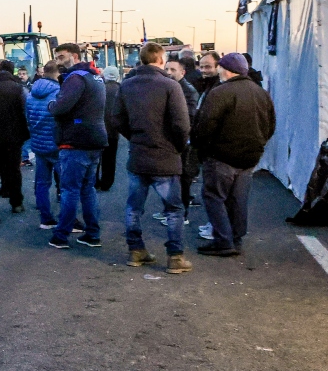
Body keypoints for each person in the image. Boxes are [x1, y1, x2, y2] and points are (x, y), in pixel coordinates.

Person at [112, 42, 192, 273]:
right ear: (160, 59)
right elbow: (181, 124)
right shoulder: (170, 86)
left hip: (138, 154)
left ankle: (136, 250)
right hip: (165, 157)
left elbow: (117, 119)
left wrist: (135, 136)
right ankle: (175, 257)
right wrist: (177, 147)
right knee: (174, 210)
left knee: (134, 208)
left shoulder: (126, 85)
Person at [192, 52, 276, 257]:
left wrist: (201, 150)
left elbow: (205, 126)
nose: (218, 70)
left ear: (227, 70)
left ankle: (223, 240)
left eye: (220, 67)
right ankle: (236, 238)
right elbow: (270, 124)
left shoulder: (220, 92)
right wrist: (259, 145)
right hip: (249, 157)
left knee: (214, 197)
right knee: (238, 199)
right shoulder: (260, 93)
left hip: (222, 156)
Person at [47, 43, 107, 249]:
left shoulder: (75, 79)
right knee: (87, 189)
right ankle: (92, 233)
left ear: (74, 56)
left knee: (70, 190)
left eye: (62, 57)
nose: (58, 62)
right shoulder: (95, 77)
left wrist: (52, 105)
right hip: (94, 139)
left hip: (75, 140)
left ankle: (61, 235)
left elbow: (61, 107)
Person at [0, 59, 30, 214]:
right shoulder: (18, 88)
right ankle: (16, 202)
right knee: (14, 170)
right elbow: (25, 110)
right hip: (14, 136)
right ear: (12, 71)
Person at [27, 61, 62, 229]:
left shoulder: (31, 93)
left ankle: (45, 218)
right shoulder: (59, 92)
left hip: (38, 141)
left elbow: (28, 117)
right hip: (56, 143)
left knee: (42, 183)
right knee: (66, 184)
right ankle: (67, 218)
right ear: (58, 73)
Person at [164, 59, 199, 221]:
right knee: (171, 179)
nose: (169, 73)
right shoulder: (171, 88)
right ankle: (170, 211)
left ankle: (181, 215)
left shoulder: (187, 91)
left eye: (173, 69)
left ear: (182, 72)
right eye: (166, 69)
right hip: (172, 141)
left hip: (184, 143)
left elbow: (189, 119)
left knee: (182, 180)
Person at [96, 66, 122, 191]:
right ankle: (107, 182)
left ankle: (94, 181)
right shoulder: (120, 89)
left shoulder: (99, 88)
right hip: (113, 130)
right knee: (110, 159)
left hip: (98, 128)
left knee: (96, 158)